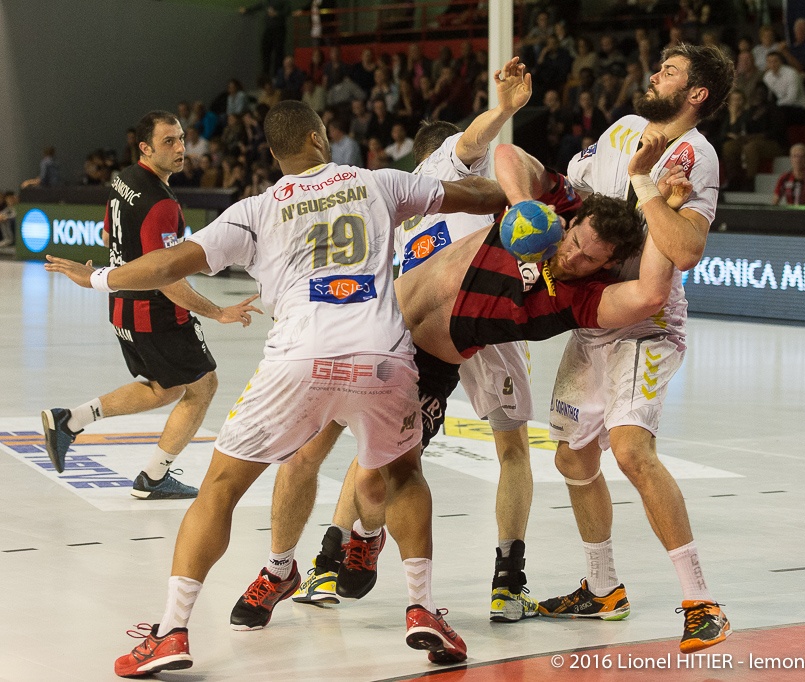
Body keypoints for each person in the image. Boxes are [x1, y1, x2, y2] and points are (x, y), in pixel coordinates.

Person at [45, 100, 509, 676]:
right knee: (404, 475)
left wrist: (96, 277)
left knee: (219, 490)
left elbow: (168, 265)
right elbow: (482, 197)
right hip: (382, 358)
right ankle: (422, 607)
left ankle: (172, 630)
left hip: (297, 364)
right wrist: (525, 202)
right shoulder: (381, 183)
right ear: (321, 137)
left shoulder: (256, 210)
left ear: (274, 155)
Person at [283, 57, 542, 621]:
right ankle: (507, 579)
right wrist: (502, 109)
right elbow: (475, 138)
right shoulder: (442, 165)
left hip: (416, 324)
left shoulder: (396, 203)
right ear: (440, 152)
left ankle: (330, 560)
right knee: (511, 447)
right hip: (481, 318)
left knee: (377, 444)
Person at [540, 42, 735, 655]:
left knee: (630, 451)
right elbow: (573, 195)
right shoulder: (622, 128)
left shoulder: (694, 155)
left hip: (646, 324)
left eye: (670, 71)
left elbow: (684, 249)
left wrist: (646, 184)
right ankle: (603, 590)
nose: (654, 74)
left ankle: (702, 602)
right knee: (572, 458)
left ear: (697, 93)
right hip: (593, 316)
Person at [40, 111, 263, 500]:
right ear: (145, 148)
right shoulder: (161, 203)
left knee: (165, 388)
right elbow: (166, 276)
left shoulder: (122, 178)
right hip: (155, 309)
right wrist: (217, 311)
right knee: (203, 385)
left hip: (123, 306)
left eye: (180, 139)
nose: (180, 149)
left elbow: (109, 231)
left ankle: (70, 420)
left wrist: (115, 266)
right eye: (168, 142)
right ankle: (154, 476)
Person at [239, 1, 291, 79]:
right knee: (265, 52)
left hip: (279, 29)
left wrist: (277, 14)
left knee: (278, 54)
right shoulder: (266, 1)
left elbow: (288, 11)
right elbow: (259, 6)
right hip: (269, 29)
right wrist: (247, 10)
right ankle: (266, 77)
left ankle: (277, 77)